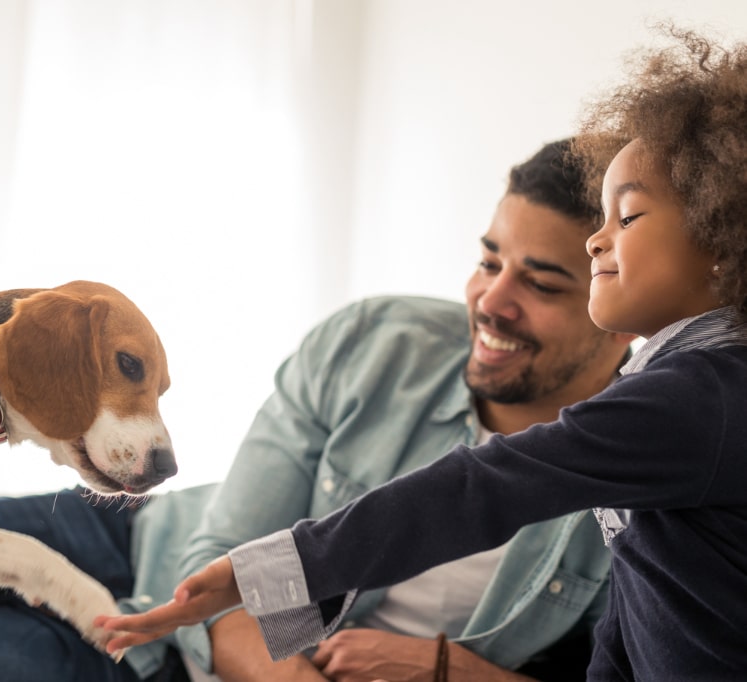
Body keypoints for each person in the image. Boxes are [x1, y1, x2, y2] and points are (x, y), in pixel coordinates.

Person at [0, 138, 634, 682]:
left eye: (541, 282)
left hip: (142, 660)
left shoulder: (639, 469)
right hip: (135, 539)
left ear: (610, 291)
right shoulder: (376, 341)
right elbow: (227, 554)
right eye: (489, 260)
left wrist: (450, 670)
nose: (490, 301)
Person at [98, 26, 747, 682]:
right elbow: (626, 631)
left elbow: (480, 487)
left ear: (720, 241)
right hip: (140, 538)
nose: (595, 242)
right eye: (488, 260)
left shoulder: (698, 399)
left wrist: (275, 571)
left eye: (626, 219)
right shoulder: (681, 393)